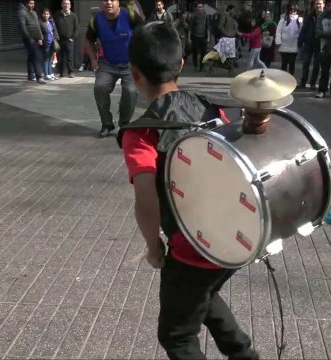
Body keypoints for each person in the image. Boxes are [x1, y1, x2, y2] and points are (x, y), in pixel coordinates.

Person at [117, 21, 259, 360]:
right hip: (236, 239)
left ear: (134, 73)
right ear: (181, 65)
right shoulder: (213, 110)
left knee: (178, 335)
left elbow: (146, 197)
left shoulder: (142, 133)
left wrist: (154, 248)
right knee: (203, 296)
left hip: (190, 249)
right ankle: (243, 354)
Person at [86, 0, 143, 138]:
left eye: (113, 0)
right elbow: (88, 40)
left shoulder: (130, 15)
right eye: (105, 0)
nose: (109, 3)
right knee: (99, 87)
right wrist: (93, 59)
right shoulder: (96, 20)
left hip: (130, 64)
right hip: (108, 64)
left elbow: (144, 35)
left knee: (130, 91)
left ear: (118, 2)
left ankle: (124, 124)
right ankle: (107, 124)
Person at [18, 0, 46, 84]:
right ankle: (39, 76)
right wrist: (29, 38)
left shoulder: (34, 13)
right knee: (37, 56)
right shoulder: (22, 12)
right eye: (30, 3)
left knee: (31, 56)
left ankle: (30, 76)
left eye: (33, 3)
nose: (32, 5)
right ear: (26, 4)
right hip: (29, 38)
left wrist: (40, 37)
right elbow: (22, 26)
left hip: (36, 38)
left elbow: (37, 26)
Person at [298, 0, 324, 89]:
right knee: (306, 63)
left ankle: (313, 83)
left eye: (320, 4)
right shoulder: (309, 16)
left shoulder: (325, 16)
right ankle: (303, 82)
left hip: (320, 43)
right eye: (317, 4)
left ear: (323, 5)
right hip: (309, 42)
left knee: (317, 64)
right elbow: (304, 29)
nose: (318, 5)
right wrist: (300, 41)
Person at [53, 0, 79, 78]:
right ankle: (59, 72)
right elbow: (54, 28)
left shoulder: (73, 16)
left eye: (68, 4)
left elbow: (77, 28)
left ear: (70, 6)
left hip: (69, 40)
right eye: (65, 3)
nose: (66, 5)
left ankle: (71, 72)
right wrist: (56, 38)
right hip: (59, 40)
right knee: (60, 57)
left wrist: (72, 38)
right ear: (62, 5)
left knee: (70, 57)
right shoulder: (57, 15)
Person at [276, 4, 301, 76]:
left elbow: (301, 33)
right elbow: (278, 31)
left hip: (294, 47)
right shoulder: (283, 20)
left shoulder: (299, 21)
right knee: (284, 65)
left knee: (292, 65)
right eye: (291, 9)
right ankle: (283, 80)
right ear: (288, 10)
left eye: (295, 10)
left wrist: (300, 43)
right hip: (284, 46)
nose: (293, 11)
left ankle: (291, 81)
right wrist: (278, 42)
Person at [188, 2, 209, 72]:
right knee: (195, 52)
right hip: (195, 36)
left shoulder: (205, 16)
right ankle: (196, 66)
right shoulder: (193, 16)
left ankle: (202, 67)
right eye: (199, 7)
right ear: (196, 8)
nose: (200, 9)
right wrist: (189, 37)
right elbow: (190, 28)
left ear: (203, 8)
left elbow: (208, 27)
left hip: (203, 37)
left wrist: (208, 37)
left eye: (201, 7)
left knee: (204, 52)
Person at [39, 8, 58, 81]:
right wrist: (40, 39)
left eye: (47, 14)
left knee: (50, 59)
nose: (46, 15)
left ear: (49, 15)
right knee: (46, 59)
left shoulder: (51, 22)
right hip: (46, 43)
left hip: (52, 42)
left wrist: (56, 38)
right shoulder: (41, 23)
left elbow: (55, 31)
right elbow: (39, 33)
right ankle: (46, 74)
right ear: (42, 14)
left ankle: (50, 73)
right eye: (44, 14)